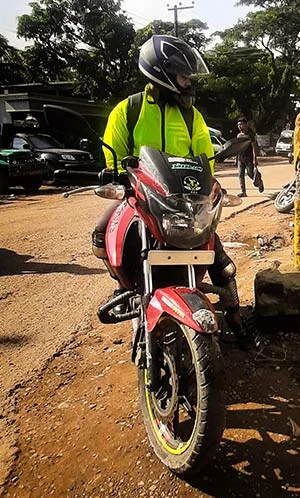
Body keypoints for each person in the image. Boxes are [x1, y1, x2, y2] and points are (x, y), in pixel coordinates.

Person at [92, 35, 258, 349]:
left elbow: (205, 158)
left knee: (222, 264)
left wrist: (211, 185)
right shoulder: (128, 111)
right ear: (162, 72)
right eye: (183, 75)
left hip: (184, 203)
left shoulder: (191, 115)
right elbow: (114, 157)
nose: (189, 82)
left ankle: (236, 320)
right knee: (102, 236)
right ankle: (124, 286)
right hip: (141, 197)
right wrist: (117, 175)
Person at [235, 117, 264, 198]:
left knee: (250, 174)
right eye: (238, 125)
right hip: (241, 158)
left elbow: (254, 148)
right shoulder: (239, 135)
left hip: (249, 158)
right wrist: (236, 159)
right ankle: (243, 192)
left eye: (241, 124)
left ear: (246, 125)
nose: (239, 126)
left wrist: (255, 159)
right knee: (240, 175)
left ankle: (260, 183)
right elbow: (237, 148)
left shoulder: (250, 135)